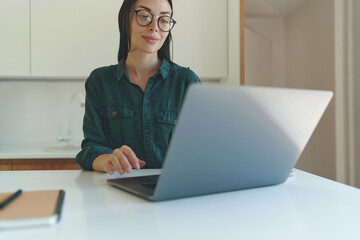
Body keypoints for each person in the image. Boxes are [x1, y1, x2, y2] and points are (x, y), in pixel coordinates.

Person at [75, 0, 200, 175]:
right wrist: (108, 159)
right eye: (144, 16)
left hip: (171, 192)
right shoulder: (100, 81)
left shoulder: (186, 82)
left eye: (164, 19)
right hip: (116, 191)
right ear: (126, 19)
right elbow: (90, 149)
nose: (154, 27)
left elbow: (199, 150)